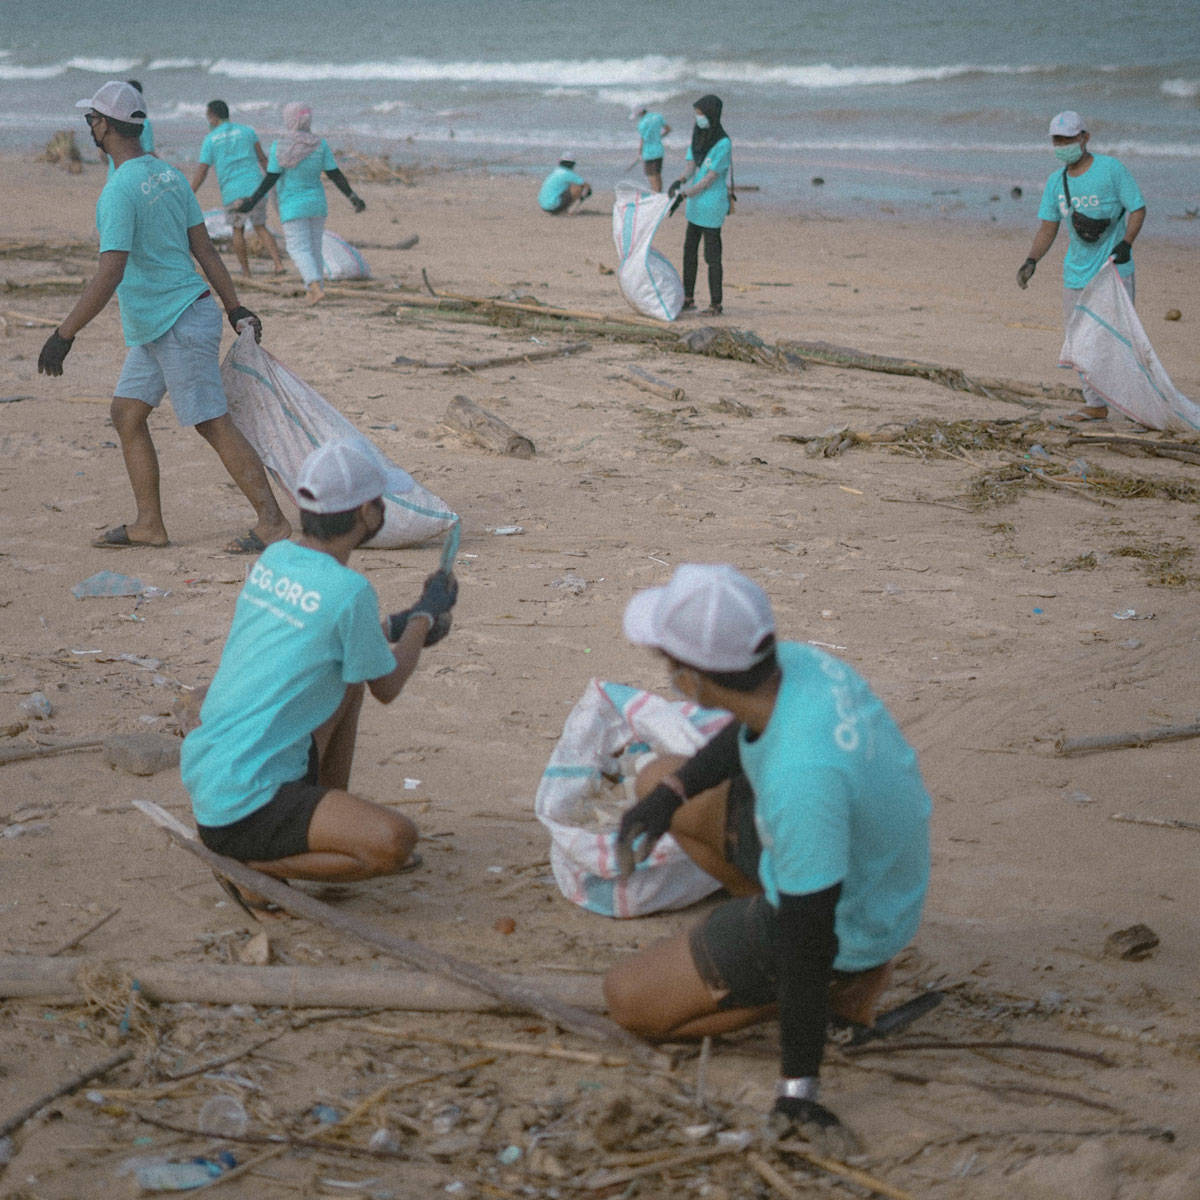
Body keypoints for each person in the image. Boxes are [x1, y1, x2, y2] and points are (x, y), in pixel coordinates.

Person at [604, 564, 931, 1154]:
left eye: (669, 663)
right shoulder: (799, 665)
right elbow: (745, 732)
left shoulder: (801, 781)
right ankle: (767, 950)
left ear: (696, 678)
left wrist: (797, 1089)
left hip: (847, 922)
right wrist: (666, 798)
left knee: (629, 1001)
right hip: (870, 870)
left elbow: (808, 936)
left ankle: (843, 992)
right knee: (659, 775)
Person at [180, 439, 458, 911]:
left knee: (350, 677)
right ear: (364, 513)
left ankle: (316, 825)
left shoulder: (276, 559)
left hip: (214, 775)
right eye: (378, 503)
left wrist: (402, 623)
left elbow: (323, 634)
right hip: (247, 803)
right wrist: (425, 617)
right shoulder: (349, 590)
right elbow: (388, 685)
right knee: (395, 842)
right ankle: (250, 868)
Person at [36, 81, 291, 555]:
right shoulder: (169, 176)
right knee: (127, 414)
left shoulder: (118, 192)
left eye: (90, 119)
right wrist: (233, 306)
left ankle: (272, 522)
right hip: (161, 323)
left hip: (177, 322)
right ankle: (149, 525)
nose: (88, 126)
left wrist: (63, 334)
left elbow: (109, 272)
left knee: (211, 421)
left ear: (104, 126)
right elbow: (205, 250)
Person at [1017, 110, 1146, 423]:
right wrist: (1031, 260)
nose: (1063, 145)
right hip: (1075, 275)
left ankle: (1137, 406)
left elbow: (1137, 208)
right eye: (1057, 140)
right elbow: (1048, 227)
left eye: (1069, 139)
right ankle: (1095, 404)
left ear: (1084, 138)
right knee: (1080, 341)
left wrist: (1126, 243)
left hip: (1113, 272)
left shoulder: (1111, 169)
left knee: (1118, 341)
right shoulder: (1055, 182)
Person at [234, 103, 366, 305]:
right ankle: (313, 291)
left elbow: (271, 178)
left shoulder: (281, 146)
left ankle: (314, 287)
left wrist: (252, 201)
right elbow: (335, 175)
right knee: (314, 249)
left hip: (292, 205)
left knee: (297, 249)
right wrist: (353, 197)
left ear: (289, 119)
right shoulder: (319, 145)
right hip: (317, 205)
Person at [191, 100, 285, 278]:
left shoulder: (210, 139)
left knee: (237, 229)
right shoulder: (247, 131)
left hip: (232, 190)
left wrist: (190, 192)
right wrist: (275, 180)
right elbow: (262, 159)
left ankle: (246, 271)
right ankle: (278, 264)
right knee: (260, 226)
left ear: (212, 116)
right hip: (255, 187)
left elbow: (202, 170)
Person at [670, 95, 732, 315]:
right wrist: (680, 181)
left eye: (701, 114)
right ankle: (688, 298)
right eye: (696, 114)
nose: (698, 119)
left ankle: (716, 304)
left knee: (712, 256)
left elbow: (709, 179)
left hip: (712, 205)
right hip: (695, 204)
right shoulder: (698, 136)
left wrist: (684, 194)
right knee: (689, 251)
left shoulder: (723, 143)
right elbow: (691, 166)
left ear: (711, 115)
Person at [101, 79, 155, 176]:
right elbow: (149, 152)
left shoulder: (110, 122)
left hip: (113, 177)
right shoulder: (143, 122)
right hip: (133, 178)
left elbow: (101, 153)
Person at [632, 104, 671, 193]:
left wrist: (639, 153)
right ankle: (659, 193)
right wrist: (659, 136)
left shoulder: (641, 124)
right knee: (658, 174)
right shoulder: (657, 117)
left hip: (648, 152)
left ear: (640, 114)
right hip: (659, 150)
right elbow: (668, 129)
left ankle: (655, 194)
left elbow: (643, 139)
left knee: (651, 176)